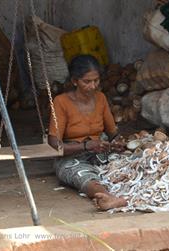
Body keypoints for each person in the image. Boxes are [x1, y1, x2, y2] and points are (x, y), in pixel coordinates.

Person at [48, 54, 127, 210]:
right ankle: (106, 197)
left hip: (100, 153)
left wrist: (118, 142)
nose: (93, 86)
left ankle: (126, 193)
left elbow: (112, 133)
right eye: (87, 81)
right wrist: (86, 146)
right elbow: (54, 144)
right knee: (83, 175)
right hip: (71, 157)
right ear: (74, 81)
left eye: (96, 81)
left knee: (128, 165)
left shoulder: (101, 98)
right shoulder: (61, 102)